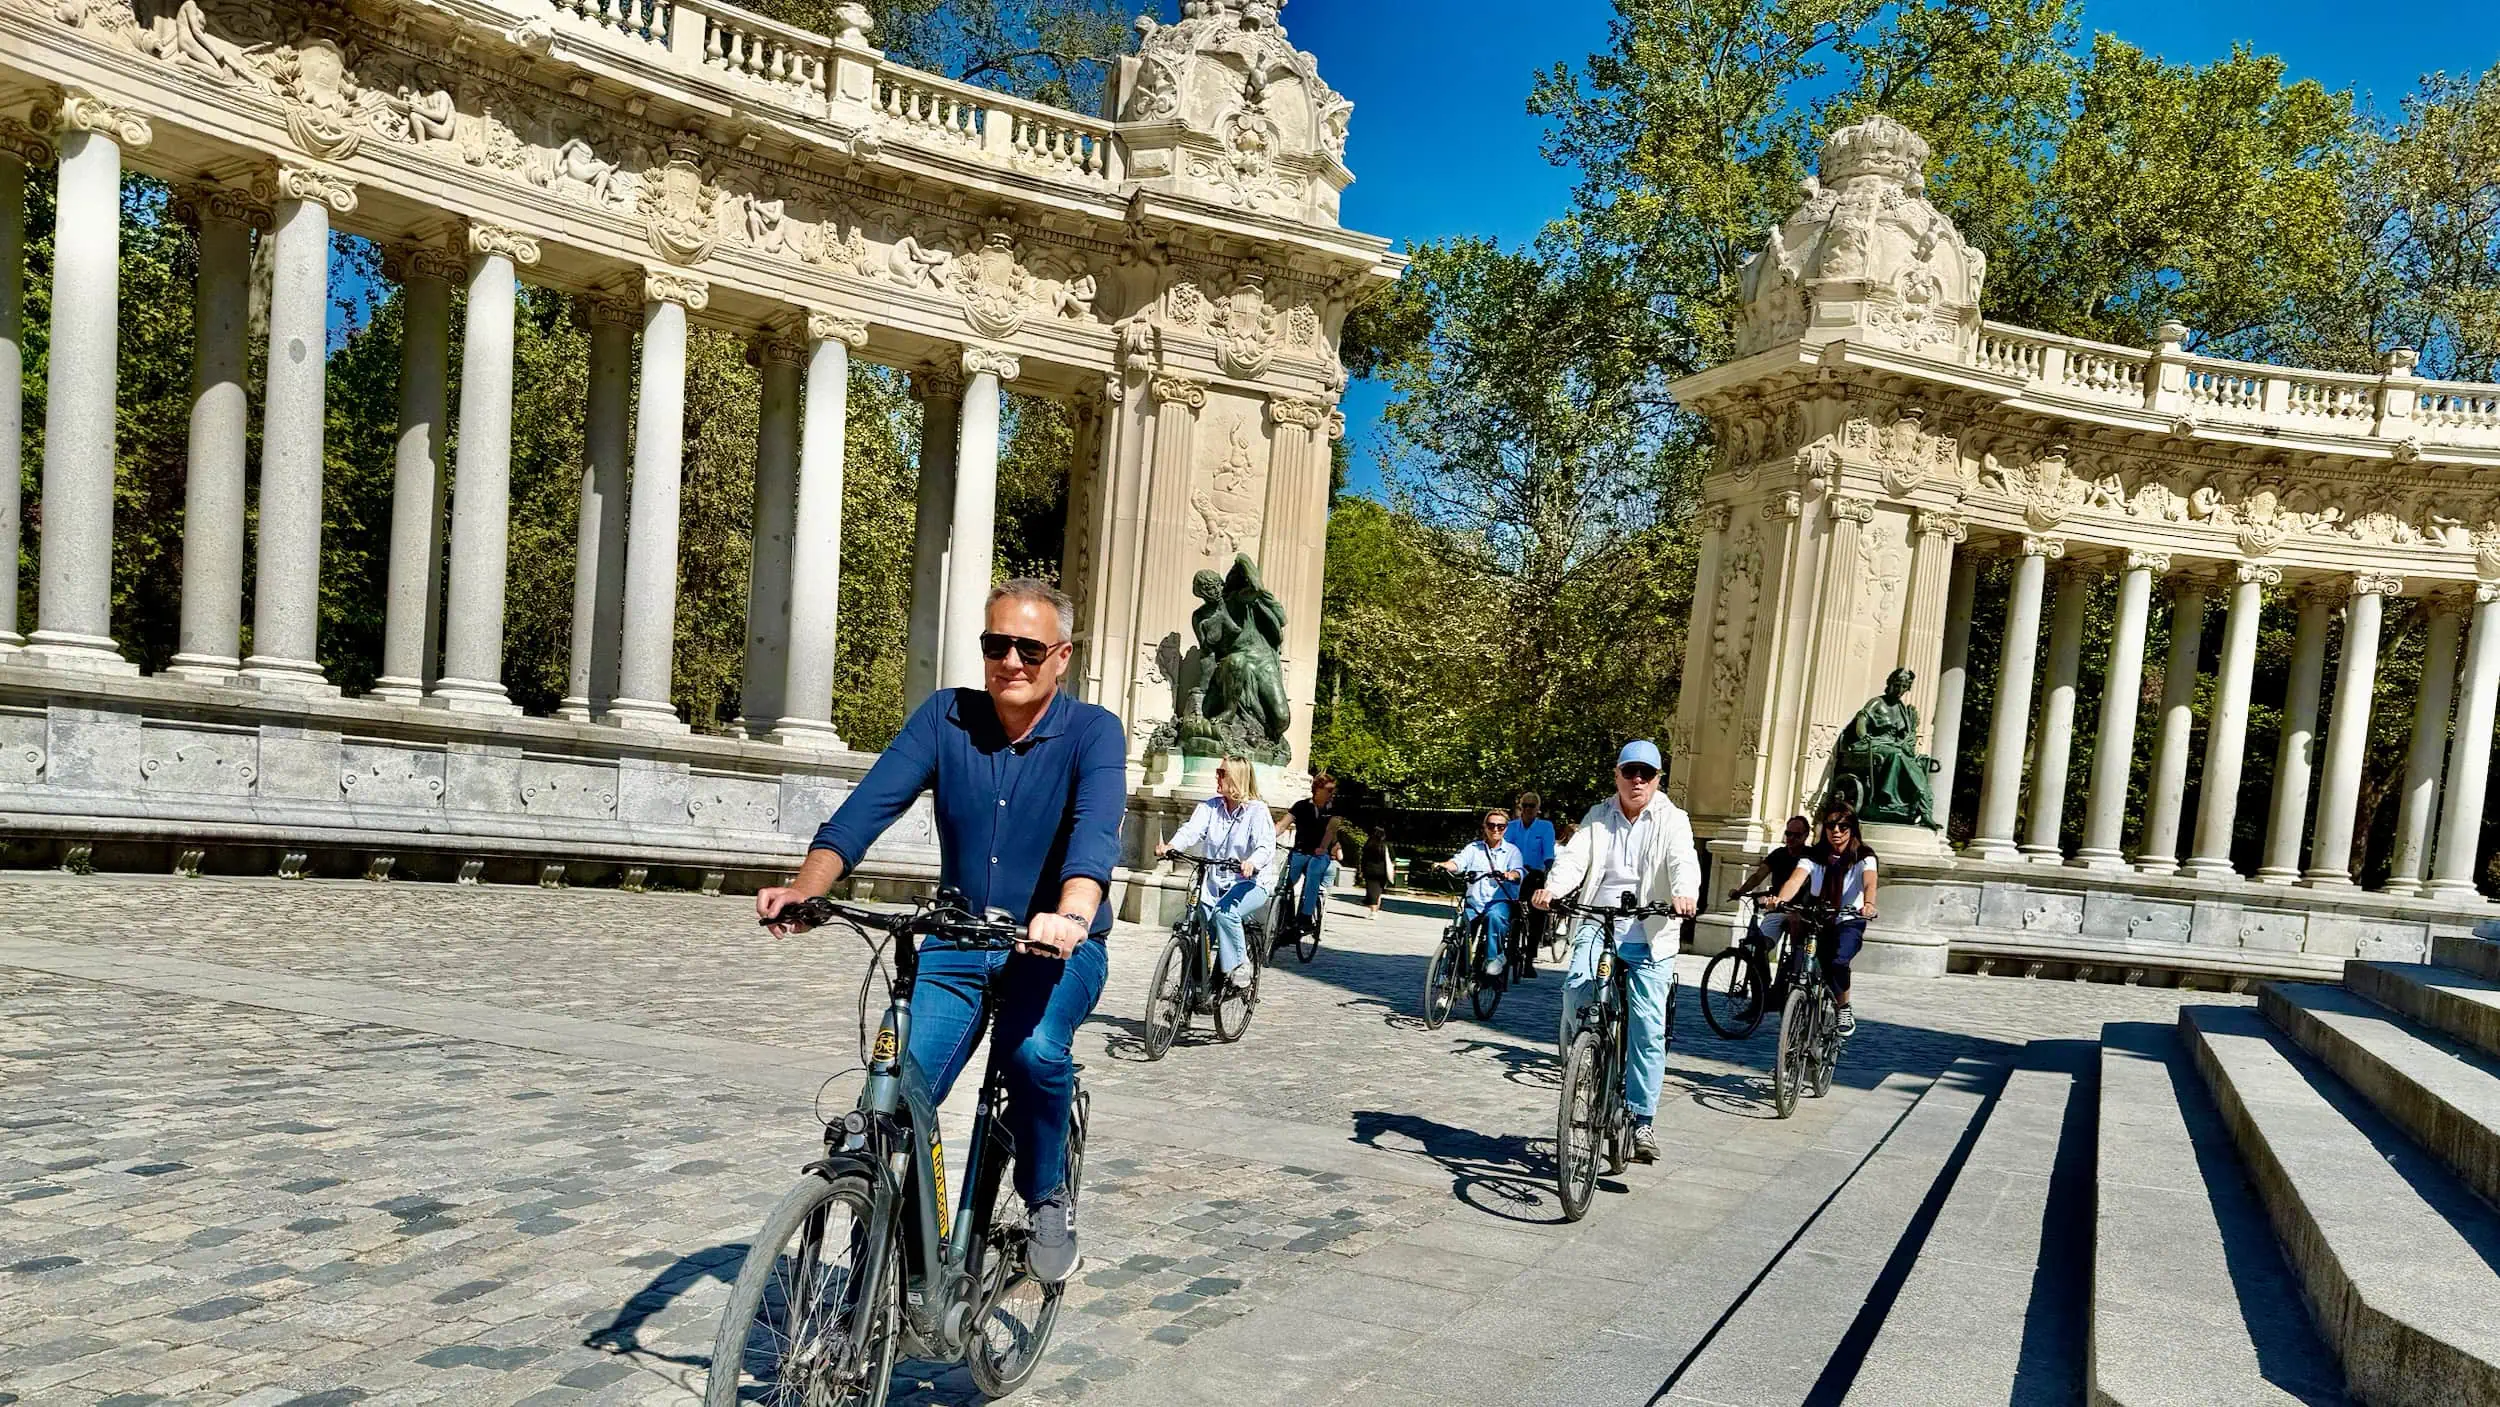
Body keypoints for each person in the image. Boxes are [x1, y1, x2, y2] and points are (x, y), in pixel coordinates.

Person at [757, 580, 1121, 1284]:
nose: (1009, 659)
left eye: (1028, 646)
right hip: (955, 945)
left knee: (1038, 1052)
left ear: (1062, 656)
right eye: (995, 644)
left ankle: (1046, 1191)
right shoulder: (944, 716)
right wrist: (809, 887)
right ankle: (886, 1277)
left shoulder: (1093, 732)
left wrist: (1072, 914)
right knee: (888, 1099)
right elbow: (866, 808)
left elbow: (1094, 835)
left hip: (1052, 950)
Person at [1533, 740, 1701, 1165]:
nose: (1637, 780)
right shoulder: (1599, 815)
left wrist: (1683, 893)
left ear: (1658, 778)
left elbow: (1684, 861)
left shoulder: (1673, 819)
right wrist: (1553, 890)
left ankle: (1642, 1118)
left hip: (1651, 929)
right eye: (1630, 772)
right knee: (1576, 988)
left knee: (1646, 1025)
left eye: (1646, 773)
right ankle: (1582, 1059)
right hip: (1599, 919)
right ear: (1617, 775)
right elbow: (1574, 858)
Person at [1155, 753, 1275, 990]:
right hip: (1214, 883)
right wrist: (1171, 846)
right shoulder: (1210, 807)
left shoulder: (1257, 811)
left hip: (1249, 882)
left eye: (1222, 773)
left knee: (1224, 914)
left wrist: (1252, 862)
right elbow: (1190, 830)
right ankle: (1192, 993)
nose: (1216, 777)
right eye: (1217, 772)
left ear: (1237, 778)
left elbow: (1265, 845)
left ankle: (1240, 966)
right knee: (1199, 928)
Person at [1771, 801, 1878, 1037]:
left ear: (1852, 828)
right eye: (1831, 826)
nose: (1836, 832)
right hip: (1820, 917)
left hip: (1849, 918)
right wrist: (1780, 899)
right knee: (1799, 965)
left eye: (1843, 826)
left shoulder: (1864, 855)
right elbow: (1795, 880)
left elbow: (1870, 882)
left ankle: (1843, 1007)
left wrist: (1868, 904)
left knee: (1839, 962)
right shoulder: (1814, 855)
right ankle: (1794, 1026)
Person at [1440, 809, 1524, 977]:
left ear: (1506, 828)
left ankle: (1494, 958)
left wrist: (1509, 875)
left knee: (1494, 917)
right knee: (1460, 929)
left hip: (1499, 901)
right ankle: (1451, 973)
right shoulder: (1473, 848)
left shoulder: (1512, 851)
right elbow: (1458, 862)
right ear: (1485, 827)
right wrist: (1444, 865)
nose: (1496, 829)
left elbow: (1518, 871)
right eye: (1491, 825)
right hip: (1474, 902)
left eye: (1501, 826)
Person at [1278, 772, 1345, 935]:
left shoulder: (1334, 809)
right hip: (1300, 851)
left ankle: (1306, 917)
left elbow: (1331, 830)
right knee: (1285, 884)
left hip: (1319, 854)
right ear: (1318, 789)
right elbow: (1282, 825)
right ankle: (1285, 918)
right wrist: (1266, 838)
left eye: (1333, 790)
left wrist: (1323, 847)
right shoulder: (1301, 806)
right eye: (1329, 790)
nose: (1332, 794)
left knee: (1314, 872)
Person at [1505, 792, 1558, 979]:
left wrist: (1549, 874)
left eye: (1531, 806)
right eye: (1524, 806)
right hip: (1514, 874)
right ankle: (1509, 949)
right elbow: (1506, 848)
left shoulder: (1545, 827)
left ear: (1537, 809)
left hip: (1535, 874)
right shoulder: (1511, 827)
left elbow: (1549, 853)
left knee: (1537, 915)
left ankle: (1529, 959)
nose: (1527, 810)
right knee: (1510, 910)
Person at [1359, 822, 1392, 917]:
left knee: (1372, 890)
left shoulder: (1369, 845)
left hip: (1370, 870)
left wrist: (1361, 870)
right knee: (1378, 891)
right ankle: (1375, 910)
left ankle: (1373, 911)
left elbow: (1363, 858)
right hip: (1383, 871)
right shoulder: (1386, 845)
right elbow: (1392, 858)